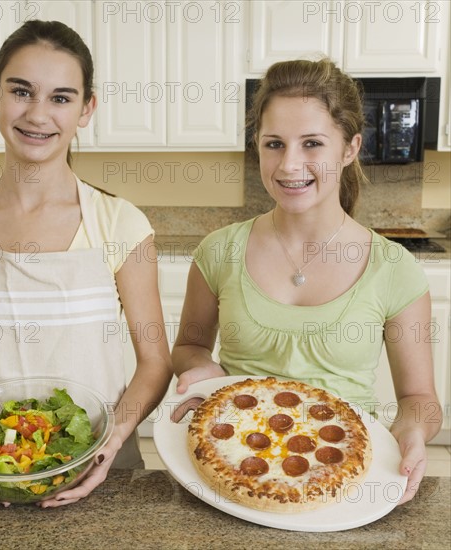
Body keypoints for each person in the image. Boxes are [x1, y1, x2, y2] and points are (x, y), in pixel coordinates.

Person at [0, 20, 172, 508]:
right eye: (21, 91)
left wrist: (113, 438)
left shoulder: (120, 224)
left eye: (61, 97)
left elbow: (155, 361)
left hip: (101, 471)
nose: (37, 114)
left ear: (86, 109)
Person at [172, 58, 442, 505]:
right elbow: (189, 347)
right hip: (231, 465)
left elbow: (419, 398)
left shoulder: (395, 269)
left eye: (312, 143)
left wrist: (412, 431)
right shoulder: (219, 251)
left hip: (342, 474)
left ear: (350, 148)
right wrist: (199, 369)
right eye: (274, 143)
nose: (289, 165)